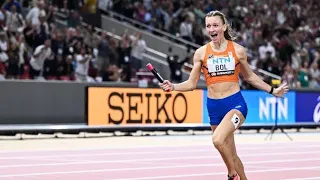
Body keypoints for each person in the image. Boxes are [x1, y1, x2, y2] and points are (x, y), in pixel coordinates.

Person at [159, 10, 289, 180]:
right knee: (232, 156)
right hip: (214, 107)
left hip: (235, 104)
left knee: (217, 140)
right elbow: (191, 84)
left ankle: (231, 174)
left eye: (215, 25)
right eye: (208, 26)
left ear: (224, 26)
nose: (212, 29)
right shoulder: (201, 53)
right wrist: (173, 86)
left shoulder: (238, 50)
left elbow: (250, 77)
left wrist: (272, 90)